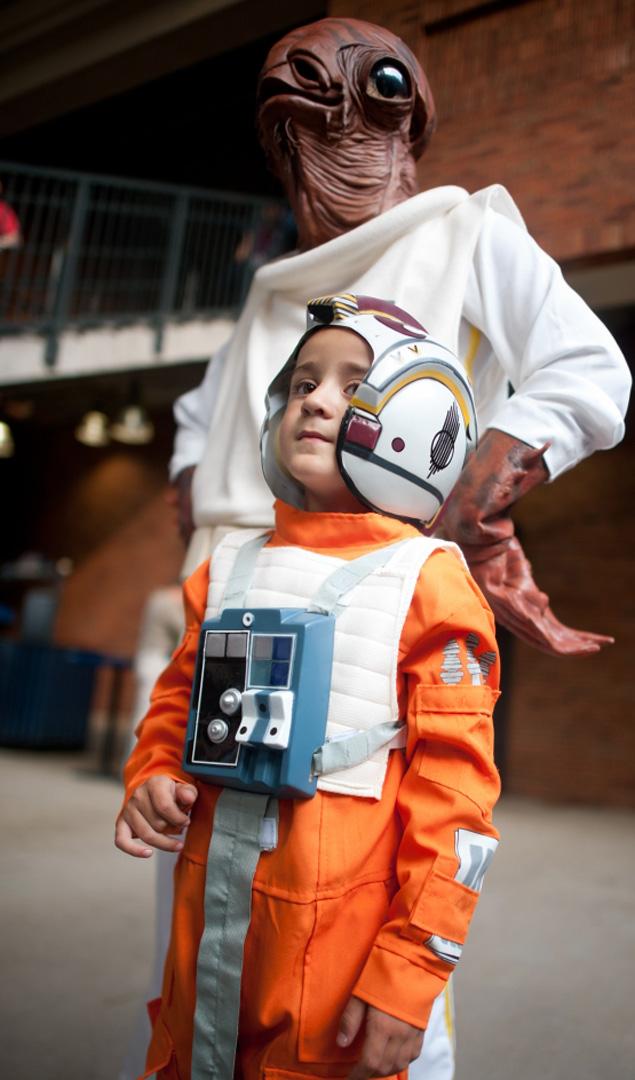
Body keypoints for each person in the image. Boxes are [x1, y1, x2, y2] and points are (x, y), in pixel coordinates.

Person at [116, 295, 501, 1080]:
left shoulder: (427, 585)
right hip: (209, 936)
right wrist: (153, 771)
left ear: (420, 416)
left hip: (333, 964)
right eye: (301, 384)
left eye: (354, 386)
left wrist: (410, 972)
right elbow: (174, 706)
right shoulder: (227, 568)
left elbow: (455, 806)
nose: (317, 400)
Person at [170, 17, 630, 656]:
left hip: (369, 580)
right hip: (223, 579)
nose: (302, 81)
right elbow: (198, 414)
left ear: (409, 123)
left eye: (378, 82)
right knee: (184, 747)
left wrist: (471, 502)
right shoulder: (272, 288)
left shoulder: (463, 235)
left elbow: (588, 367)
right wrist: (198, 496)